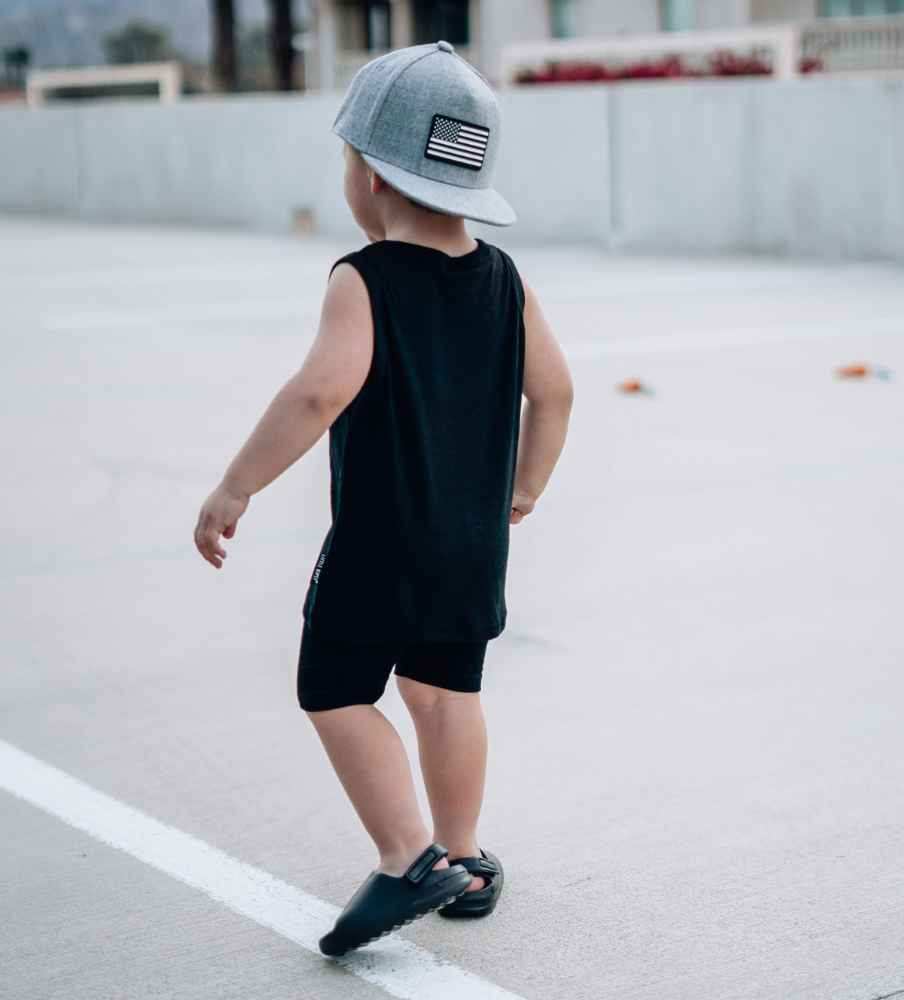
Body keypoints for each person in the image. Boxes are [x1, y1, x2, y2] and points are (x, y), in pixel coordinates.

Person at [194, 41, 572, 956]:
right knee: (445, 693)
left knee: (333, 688)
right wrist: (521, 488)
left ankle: (409, 856)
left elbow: (320, 393)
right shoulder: (505, 280)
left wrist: (235, 485)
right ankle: (466, 858)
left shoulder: (363, 280)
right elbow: (555, 393)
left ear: (369, 175)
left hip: (380, 543)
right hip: (473, 543)